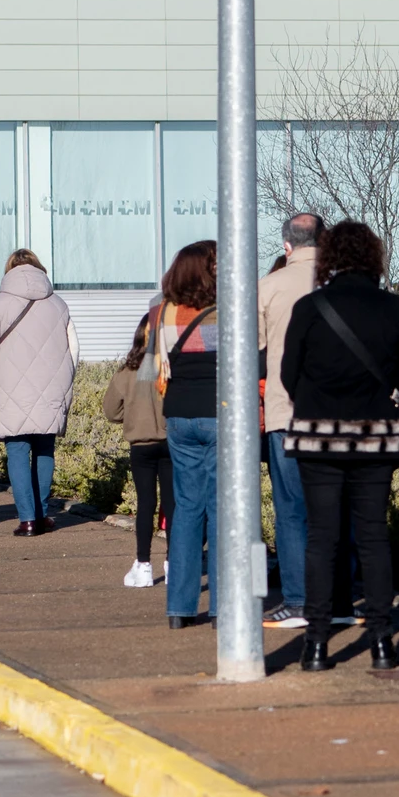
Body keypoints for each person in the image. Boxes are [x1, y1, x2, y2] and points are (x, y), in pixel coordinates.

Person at [281, 220, 399, 671]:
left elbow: (288, 374)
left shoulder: (309, 307)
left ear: (329, 258)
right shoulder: (394, 309)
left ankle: (317, 644)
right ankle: (382, 640)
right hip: (375, 438)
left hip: (318, 437)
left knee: (322, 539)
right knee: (374, 536)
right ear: (374, 258)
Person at [0, 249, 79, 536]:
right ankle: (43, 514)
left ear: (9, 271)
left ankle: (28, 520)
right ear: (39, 269)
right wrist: (64, 380)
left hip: (10, 388)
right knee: (45, 449)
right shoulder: (59, 304)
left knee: (18, 451)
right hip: (52, 386)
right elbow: (74, 350)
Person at [140, 242, 220, 626]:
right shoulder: (227, 310)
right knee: (222, 511)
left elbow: (152, 363)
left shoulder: (162, 310)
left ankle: (179, 608)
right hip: (219, 413)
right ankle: (224, 603)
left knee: (186, 509)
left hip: (178, 414)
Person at [257, 212, 322, 629]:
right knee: (334, 507)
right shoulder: (344, 284)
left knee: (291, 509)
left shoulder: (269, 287)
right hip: (337, 415)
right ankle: (337, 597)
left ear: (287, 246)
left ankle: (297, 600)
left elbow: (254, 352)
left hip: (285, 411)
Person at [104, 307, 172, 588]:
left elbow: (110, 410)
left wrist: (131, 414)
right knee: (173, 503)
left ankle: (143, 564)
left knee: (146, 503)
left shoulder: (127, 371)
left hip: (140, 445)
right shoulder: (170, 367)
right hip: (170, 442)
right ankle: (174, 563)